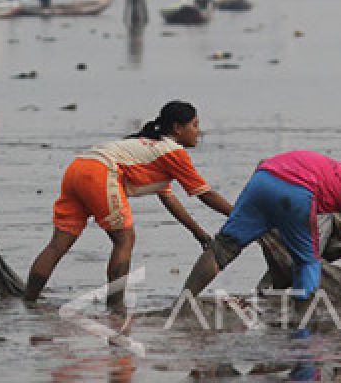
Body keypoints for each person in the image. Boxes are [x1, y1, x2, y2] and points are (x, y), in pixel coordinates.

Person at [24, 101, 232, 311]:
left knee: (58, 244)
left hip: (77, 169)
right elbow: (205, 194)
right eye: (195, 125)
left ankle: (28, 300)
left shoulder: (152, 147)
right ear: (178, 129)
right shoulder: (173, 152)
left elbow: (169, 199)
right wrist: (239, 215)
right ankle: (115, 308)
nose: (199, 132)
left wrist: (198, 233)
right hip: (100, 172)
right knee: (125, 239)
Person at [181, 147, 341, 312]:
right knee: (307, 262)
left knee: (224, 246)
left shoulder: (330, 167)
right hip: (295, 193)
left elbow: (269, 162)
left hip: (263, 178)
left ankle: (183, 302)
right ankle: (303, 317)